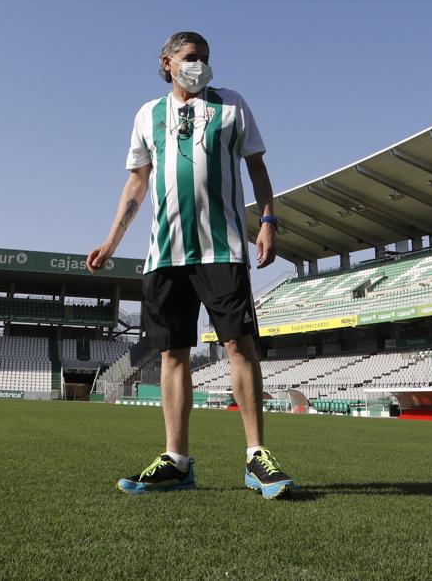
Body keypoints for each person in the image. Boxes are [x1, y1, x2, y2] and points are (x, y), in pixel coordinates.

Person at [86, 31, 296, 499]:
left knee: (239, 346)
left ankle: (256, 456)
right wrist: (111, 239)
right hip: (164, 252)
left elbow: (256, 166)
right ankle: (176, 461)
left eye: (205, 57)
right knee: (171, 353)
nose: (199, 65)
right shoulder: (148, 114)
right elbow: (137, 183)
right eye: (190, 58)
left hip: (221, 248)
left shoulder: (232, 104)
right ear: (167, 63)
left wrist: (267, 220)